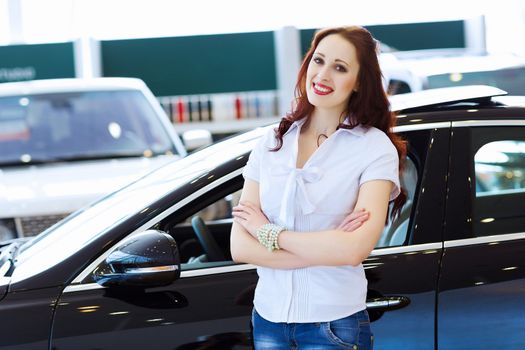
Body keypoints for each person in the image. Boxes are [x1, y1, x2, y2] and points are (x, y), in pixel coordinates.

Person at [230, 25, 407, 350]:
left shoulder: (373, 147)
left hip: (334, 324)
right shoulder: (271, 143)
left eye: (340, 68)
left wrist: (268, 233)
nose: (323, 74)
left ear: (358, 82)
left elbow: (353, 250)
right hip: (268, 319)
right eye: (319, 60)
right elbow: (240, 246)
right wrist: (326, 248)